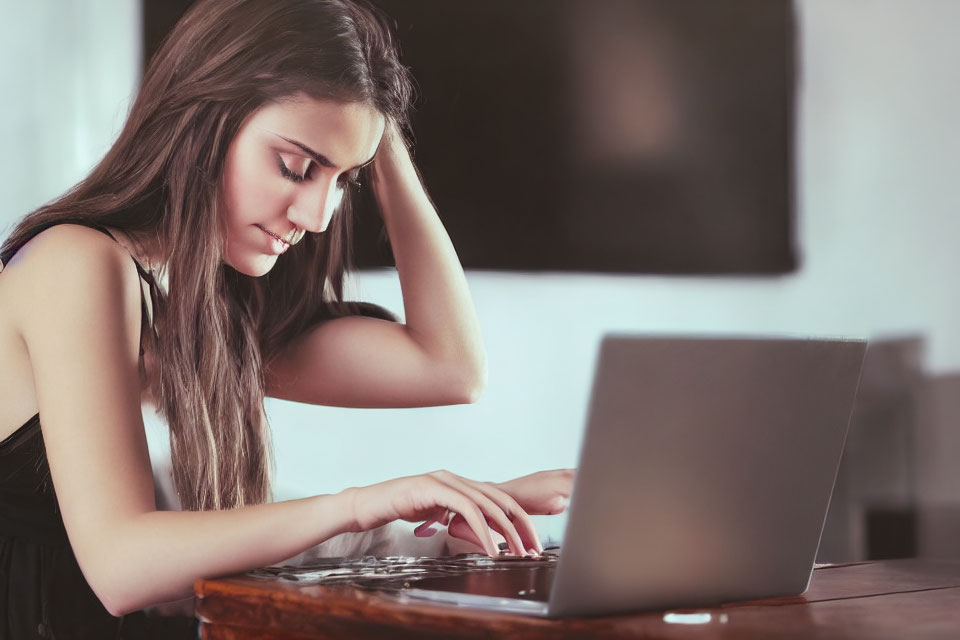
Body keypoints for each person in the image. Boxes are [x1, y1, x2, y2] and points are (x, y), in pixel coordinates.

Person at [0, 0, 573, 637]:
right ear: (204, 119)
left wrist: (375, 130)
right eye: (297, 168)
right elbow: (122, 567)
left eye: (342, 180)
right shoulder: (75, 260)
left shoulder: (204, 310)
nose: (319, 216)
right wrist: (363, 505)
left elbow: (449, 368)